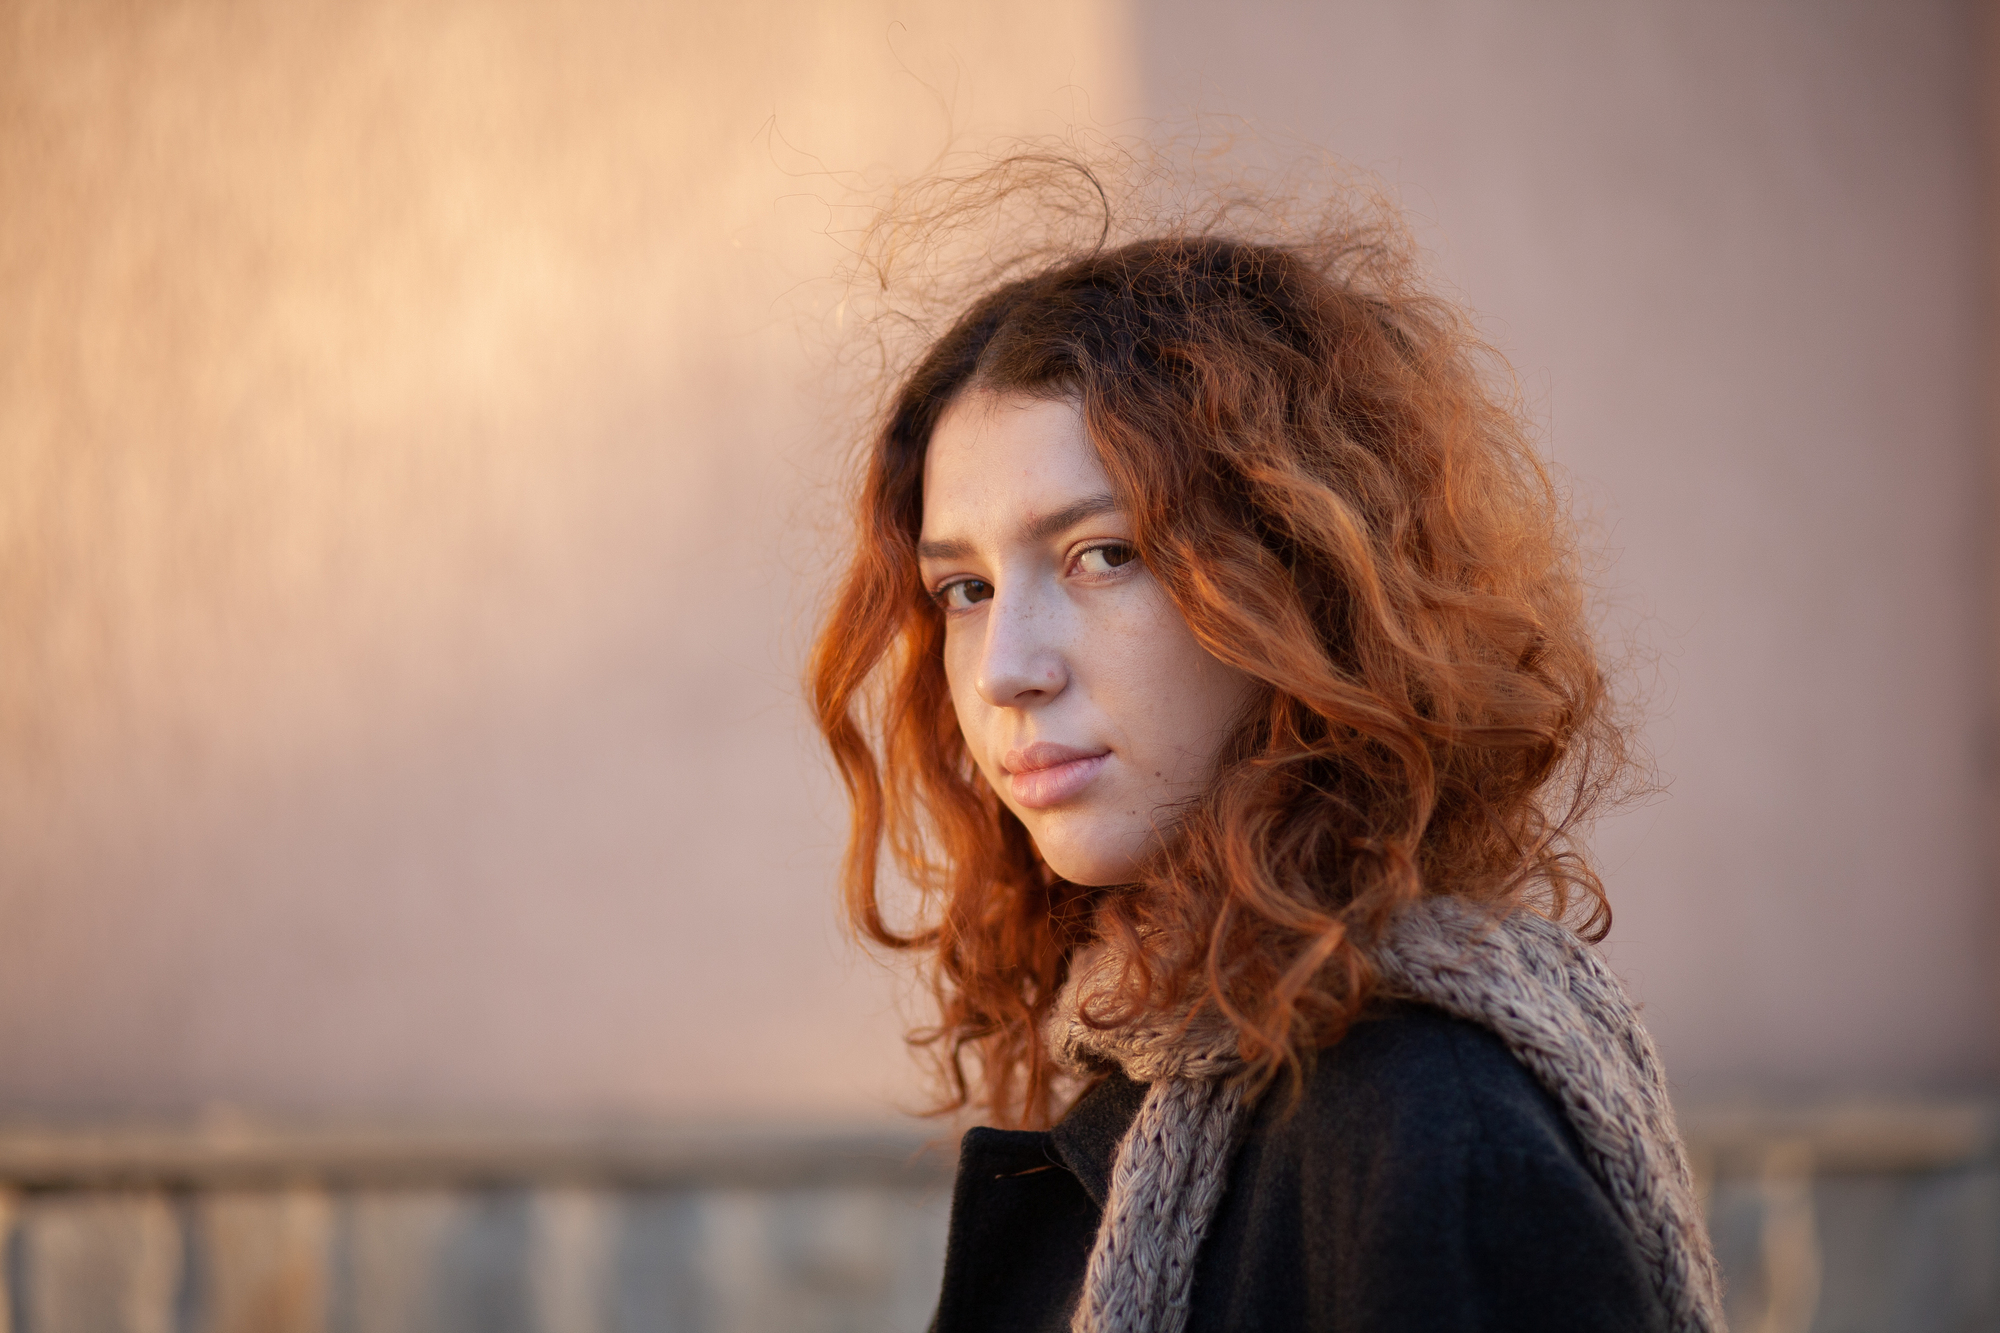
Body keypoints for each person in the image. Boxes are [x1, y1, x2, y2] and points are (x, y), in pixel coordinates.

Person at [809, 162, 1724, 1333]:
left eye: (1103, 553)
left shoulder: (1424, 1127)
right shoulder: (1149, 1071)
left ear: (1298, 580)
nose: (1004, 668)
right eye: (965, 587)